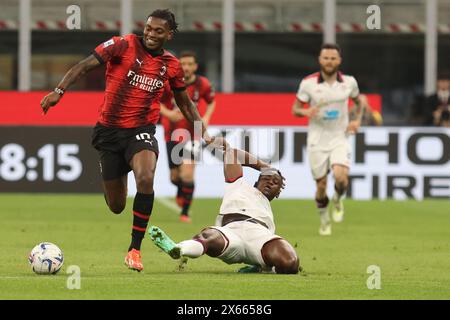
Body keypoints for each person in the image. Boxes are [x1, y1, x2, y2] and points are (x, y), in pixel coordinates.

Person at [39, 9, 212, 272]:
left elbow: (184, 101)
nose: (151, 34)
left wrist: (203, 130)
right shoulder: (122, 45)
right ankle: (110, 173)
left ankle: (134, 249)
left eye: (158, 31)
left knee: (145, 176)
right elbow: (84, 65)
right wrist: (58, 91)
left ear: (169, 34)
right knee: (117, 206)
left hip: (141, 130)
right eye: (149, 28)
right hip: (108, 132)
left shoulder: (171, 65)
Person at [149, 139, 300, 274]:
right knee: (208, 237)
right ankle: (178, 248)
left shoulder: (266, 208)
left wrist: (269, 172)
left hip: (259, 236)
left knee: (290, 264)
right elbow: (233, 154)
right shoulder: (238, 184)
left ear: (278, 193)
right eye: (267, 178)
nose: (270, 182)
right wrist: (264, 166)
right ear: (257, 181)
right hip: (230, 232)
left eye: (275, 183)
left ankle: (264, 268)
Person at [291, 43, 368, 236]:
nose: (329, 61)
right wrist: (306, 111)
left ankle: (338, 198)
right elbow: (295, 109)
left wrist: (357, 121)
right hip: (316, 140)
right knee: (321, 186)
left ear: (339, 61)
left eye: (333, 58)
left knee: (341, 178)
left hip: (339, 137)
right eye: (326, 58)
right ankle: (324, 217)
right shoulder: (308, 83)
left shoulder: (349, 82)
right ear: (320, 60)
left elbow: (360, 102)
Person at [159, 51, 216, 223]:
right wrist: (168, 113)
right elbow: (155, 101)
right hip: (172, 134)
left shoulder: (202, 84)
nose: (186, 67)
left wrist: (206, 117)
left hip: (192, 135)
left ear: (195, 66)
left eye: (190, 64)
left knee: (188, 174)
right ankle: (180, 191)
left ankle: (184, 212)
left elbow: (212, 100)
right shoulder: (168, 83)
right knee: (175, 177)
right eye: (183, 64)